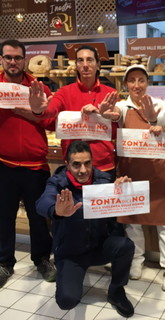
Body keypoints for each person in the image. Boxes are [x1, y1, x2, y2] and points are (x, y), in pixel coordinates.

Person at [100, 64, 165, 292]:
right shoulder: (121, 107)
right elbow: (108, 118)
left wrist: (160, 128)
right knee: (133, 223)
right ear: (126, 84)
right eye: (132, 80)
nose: (136, 85)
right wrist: (101, 113)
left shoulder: (160, 105)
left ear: (148, 83)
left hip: (158, 172)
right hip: (130, 172)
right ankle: (136, 262)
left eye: (141, 80)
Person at [36, 140, 135, 318]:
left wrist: (122, 190)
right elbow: (41, 203)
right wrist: (56, 211)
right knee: (67, 301)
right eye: (76, 164)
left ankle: (116, 291)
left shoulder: (103, 179)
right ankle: (69, 277)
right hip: (70, 253)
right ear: (67, 164)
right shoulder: (57, 182)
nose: (83, 170)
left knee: (125, 245)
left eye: (87, 163)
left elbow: (117, 207)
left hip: (98, 246)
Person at [0, 39, 56, 288]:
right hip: (4, 164)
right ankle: (4, 262)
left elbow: (53, 124)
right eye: (8, 57)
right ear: (2, 59)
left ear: (24, 59)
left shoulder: (39, 87)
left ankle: (42, 260)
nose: (13, 62)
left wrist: (35, 113)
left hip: (36, 166)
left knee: (38, 216)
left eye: (17, 57)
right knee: (3, 216)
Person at [29, 45, 118, 176]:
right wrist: (38, 110)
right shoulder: (64, 92)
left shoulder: (110, 94)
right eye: (80, 60)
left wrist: (102, 114)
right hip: (74, 167)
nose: (85, 65)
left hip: (104, 166)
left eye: (90, 60)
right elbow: (50, 113)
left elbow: (117, 130)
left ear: (98, 64)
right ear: (76, 65)